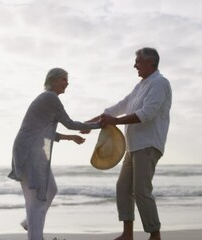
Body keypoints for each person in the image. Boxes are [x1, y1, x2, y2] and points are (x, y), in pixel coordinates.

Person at [84, 47, 172, 240]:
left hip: (148, 144)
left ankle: (154, 235)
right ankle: (128, 234)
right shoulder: (140, 86)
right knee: (123, 188)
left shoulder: (160, 83)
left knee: (141, 190)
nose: (135, 65)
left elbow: (147, 114)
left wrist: (115, 121)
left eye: (138, 61)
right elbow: (116, 109)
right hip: (132, 147)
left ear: (151, 63)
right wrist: (90, 124)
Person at [8, 67, 101, 240]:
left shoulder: (47, 99)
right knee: (37, 200)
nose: (67, 83)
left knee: (50, 190)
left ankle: (30, 223)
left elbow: (45, 132)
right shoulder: (50, 97)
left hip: (30, 149)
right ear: (54, 80)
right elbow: (70, 123)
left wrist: (70, 138)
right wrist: (100, 124)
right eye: (64, 79)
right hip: (29, 150)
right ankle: (35, 236)